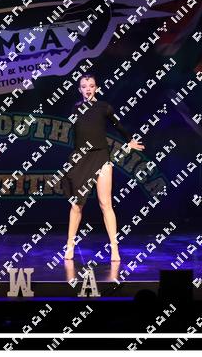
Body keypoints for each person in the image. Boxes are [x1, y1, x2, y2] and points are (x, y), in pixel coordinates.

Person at [64, 74, 144, 262]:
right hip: (82, 158)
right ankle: (70, 246)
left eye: (91, 85)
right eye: (84, 86)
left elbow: (117, 124)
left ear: (96, 88)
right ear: (80, 89)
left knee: (105, 204)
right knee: (76, 205)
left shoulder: (104, 107)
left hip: (101, 157)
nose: (88, 89)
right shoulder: (75, 109)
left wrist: (129, 140)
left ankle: (115, 248)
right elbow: (77, 135)